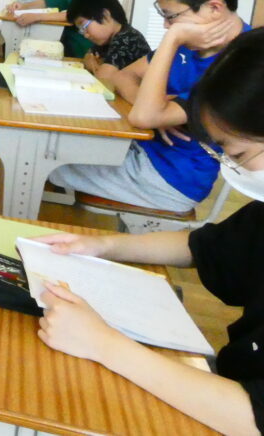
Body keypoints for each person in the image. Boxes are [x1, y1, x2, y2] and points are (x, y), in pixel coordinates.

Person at [34, 27, 264, 436]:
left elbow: (253, 418)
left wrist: (104, 344)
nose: (233, 168)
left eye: (239, 155)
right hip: (224, 383)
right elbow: (200, 246)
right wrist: (103, 245)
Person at [49, 0, 248, 213]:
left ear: (214, 7)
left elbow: (143, 117)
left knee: (48, 164)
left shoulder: (240, 62)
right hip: (142, 149)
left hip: (169, 180)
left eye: (170, 16)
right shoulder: (193, 44)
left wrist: (173, 38)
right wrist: (156, 109)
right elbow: (122, 77)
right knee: (52, 152)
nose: (166, 25)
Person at [64, 0, 151, 88]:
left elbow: (103, 80)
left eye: (84, 27)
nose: (86, 35)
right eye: (81, 30)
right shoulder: (107, 39)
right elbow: (88, 57)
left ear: (105, 15)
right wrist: (92, 63)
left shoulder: (127, 38)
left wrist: (97, 68)